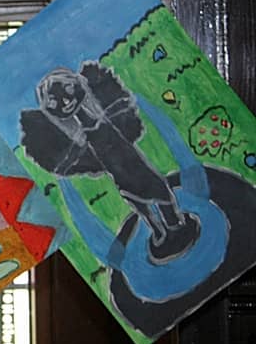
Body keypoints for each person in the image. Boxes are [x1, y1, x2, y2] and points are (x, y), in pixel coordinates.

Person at [20, 62, 200, 263]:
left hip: (129, 165)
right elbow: (85, 146)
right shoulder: (85, 132)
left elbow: (108, 126)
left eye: (68, 90)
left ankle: (169, 226)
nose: (66, 101)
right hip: (122, 172)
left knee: (154, 191)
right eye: (55, 101)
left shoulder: (96, 121)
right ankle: (162, 230)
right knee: (144, 195)